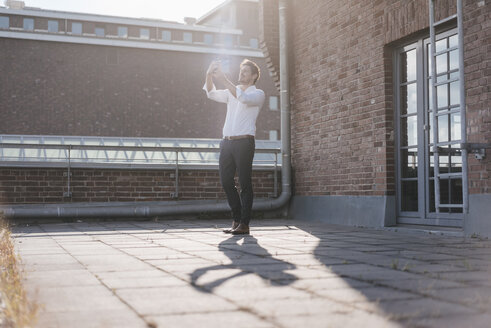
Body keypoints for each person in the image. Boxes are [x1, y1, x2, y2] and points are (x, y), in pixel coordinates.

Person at [203, 59, 265, 235]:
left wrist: (223, 79)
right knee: (225, 181)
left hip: (244, 142)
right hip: (227, 142)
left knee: (245, 183)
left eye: (246, 71)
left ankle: (244, 224)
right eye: (241, 70)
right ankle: (236, 219)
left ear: (254, 76)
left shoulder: (258, 94)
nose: (241, 73)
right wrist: (209, 75)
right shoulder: (231, 92)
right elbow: (210, 93)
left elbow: (243, 98)